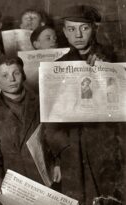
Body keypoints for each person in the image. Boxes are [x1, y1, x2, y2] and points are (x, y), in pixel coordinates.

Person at [44, 5, 124, 204]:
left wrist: (105, 69)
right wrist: (59, 156)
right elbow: (51, 120)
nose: (77, 34)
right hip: (72, 150)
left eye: (84, 28)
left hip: (106, 148)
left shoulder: (115, 59)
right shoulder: (58, 66)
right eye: (71, 29)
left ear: (94, 29)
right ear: (64, 32)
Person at [0, 56, 61, 190]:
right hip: (17, 182)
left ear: (23, 74)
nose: (12, 79)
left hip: (47, 178)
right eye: (4, 75)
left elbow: (58, 138)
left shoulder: (42, 102)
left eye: (16, 73)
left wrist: (58, 164)